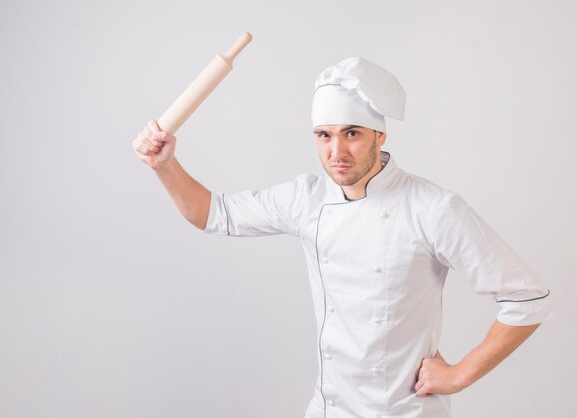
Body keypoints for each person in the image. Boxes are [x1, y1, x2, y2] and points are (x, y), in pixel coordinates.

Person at [132, 57, 553, 418]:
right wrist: (164, 166)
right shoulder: (307, 199)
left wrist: (459, 375)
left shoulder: (432, 208)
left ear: (379, 135)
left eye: (352, 133)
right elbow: (213, 214)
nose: (336, 152)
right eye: (324, 135)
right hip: (328, 408)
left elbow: (526, 298)